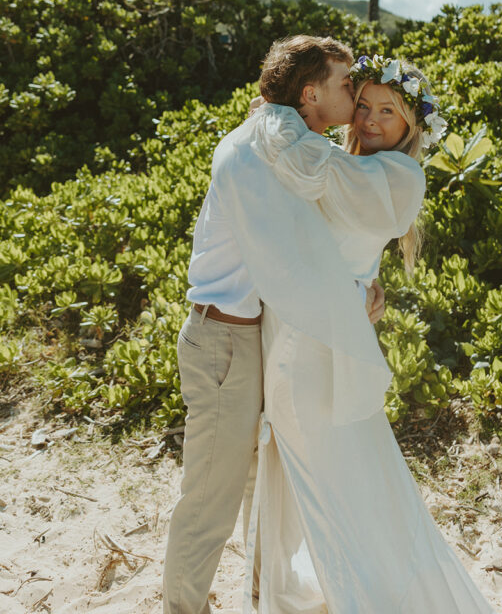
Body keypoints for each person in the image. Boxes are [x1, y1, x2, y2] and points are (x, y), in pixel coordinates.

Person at [241, 53, 500, 613]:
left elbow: (310, 167)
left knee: (331, 468)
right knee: (317, 464)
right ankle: (289, 577)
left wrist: (272, 114)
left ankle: (357, 591)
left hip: (312, 343)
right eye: (363, 106)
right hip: (303, 326)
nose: (372, 119)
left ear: (412, 124)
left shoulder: (399, 174)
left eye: (389, 110)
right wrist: (363, 289)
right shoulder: (346, 163)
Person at [162, 35, 384, 614]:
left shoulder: (281, 140)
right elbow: (289, 256)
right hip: (224, 341)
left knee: (266, 481)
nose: (355, 94)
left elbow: (308, 238)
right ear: (309, 93)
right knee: (211, 498)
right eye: (344, 83)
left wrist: (359, 281)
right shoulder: (265, 146)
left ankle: (261, 594)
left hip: (254, 337)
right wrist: (350, 292)